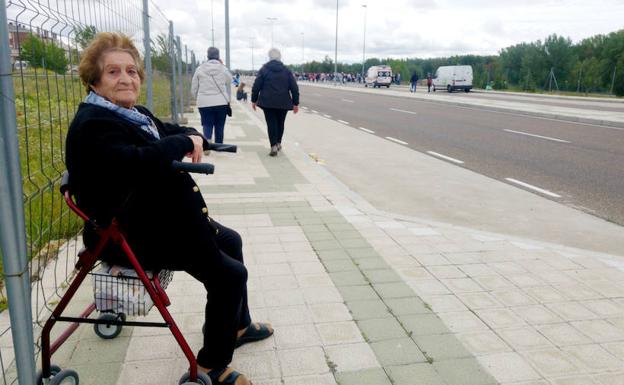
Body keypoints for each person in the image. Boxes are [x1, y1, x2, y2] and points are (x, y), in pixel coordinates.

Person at [65, 32, 271, 385]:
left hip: (157, 219)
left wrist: (196, 136)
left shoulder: (132, 113)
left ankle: (238, 326)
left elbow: (168, 130)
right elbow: (137, 160)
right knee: (229, 275)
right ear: (94, 80)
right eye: (113, 72)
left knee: (231, 242)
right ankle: (211, 365)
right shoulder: (93, 125)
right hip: (131, 233)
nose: (126, 78)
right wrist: (181, 142)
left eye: (131, 71)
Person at [251, 48, 299, 156]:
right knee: (280, 123)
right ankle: (278, 143)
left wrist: (254, 100)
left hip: (267, 103)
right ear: (280, 57)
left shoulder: (264, 69)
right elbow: (294, 88)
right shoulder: (286, 71)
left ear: (269, 57)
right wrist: (296, 103)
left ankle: (273, 146)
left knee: (271, 123)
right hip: (283, 102)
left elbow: (256, 86)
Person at [191, 47, 232, 144]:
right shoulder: (223, 68)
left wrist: (197, 98)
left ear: (207, 56)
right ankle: (219, 145)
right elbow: (229, 80)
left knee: (207, 124)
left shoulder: (200, 69)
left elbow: (194, 87)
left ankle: (207, 143)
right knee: (220, 125)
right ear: (218, 56)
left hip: (204, 102)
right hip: (221, 102)